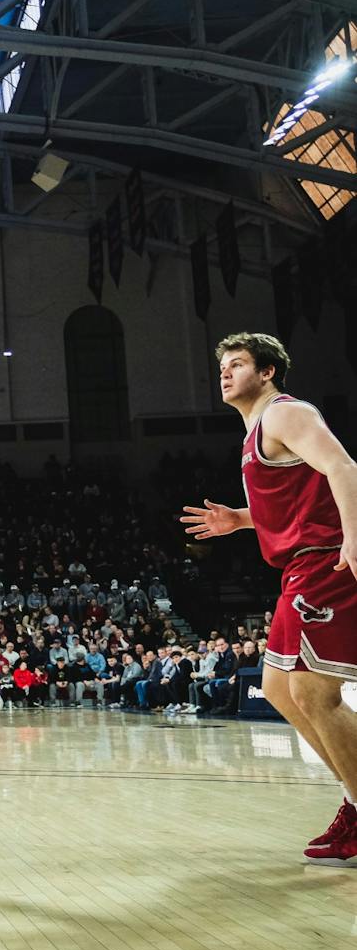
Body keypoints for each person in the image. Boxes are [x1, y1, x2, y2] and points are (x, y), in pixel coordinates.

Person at [181, 333, 357, 865]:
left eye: (238, 364)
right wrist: (239, 519)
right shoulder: (257, 432)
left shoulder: (285, 413)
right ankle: (352, 800)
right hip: (300, 564)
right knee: (280, 689)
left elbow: (344, 469)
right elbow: (296, 500)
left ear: (269, 372)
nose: (226, 373)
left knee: (312, 691)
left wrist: (354, 536)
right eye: (222, 367)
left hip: (327, 558)